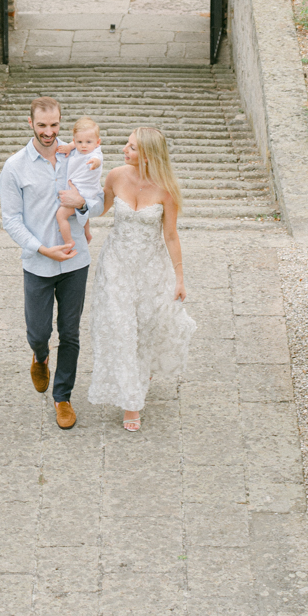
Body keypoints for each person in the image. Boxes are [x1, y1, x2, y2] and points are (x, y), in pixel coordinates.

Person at [0, 95, 98, 430]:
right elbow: (11, 220)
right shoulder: (14, 167)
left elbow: (95, 200)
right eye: (42, 125)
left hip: (75, 259)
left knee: (70, 332)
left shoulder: (77, 155)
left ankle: (63, 397)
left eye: (54, 124)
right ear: (31, 124)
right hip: (38, 262)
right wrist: (42, 249)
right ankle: (40, 356)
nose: (49, 131)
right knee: (39, 332)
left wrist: (82, 204)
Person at [86, 125, 196, 432]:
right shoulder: (116, 176)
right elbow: (99, 208)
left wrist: (179, 278)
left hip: (151, 268)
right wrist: (78, 202)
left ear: (148, 153)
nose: (124, 149)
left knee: (145, 330)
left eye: (131, 146)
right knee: (121, 330)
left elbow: (171, 236)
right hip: (116, 266)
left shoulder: (166, 189)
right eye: (127, 144)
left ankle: (140, 370)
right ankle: (131, 404)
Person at [54, 117, 104, 256]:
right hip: (79, 190)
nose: (83, 146)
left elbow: (98, 160)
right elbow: (74, 143)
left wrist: (94, 163)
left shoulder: (95, 153)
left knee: (61, 215)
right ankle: (87, 234)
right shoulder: (77, 148)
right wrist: (70, 146)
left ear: (97, 142)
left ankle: (68, 242)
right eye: (79, 142)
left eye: (89, 142)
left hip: (85, 191)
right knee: (83, 214)